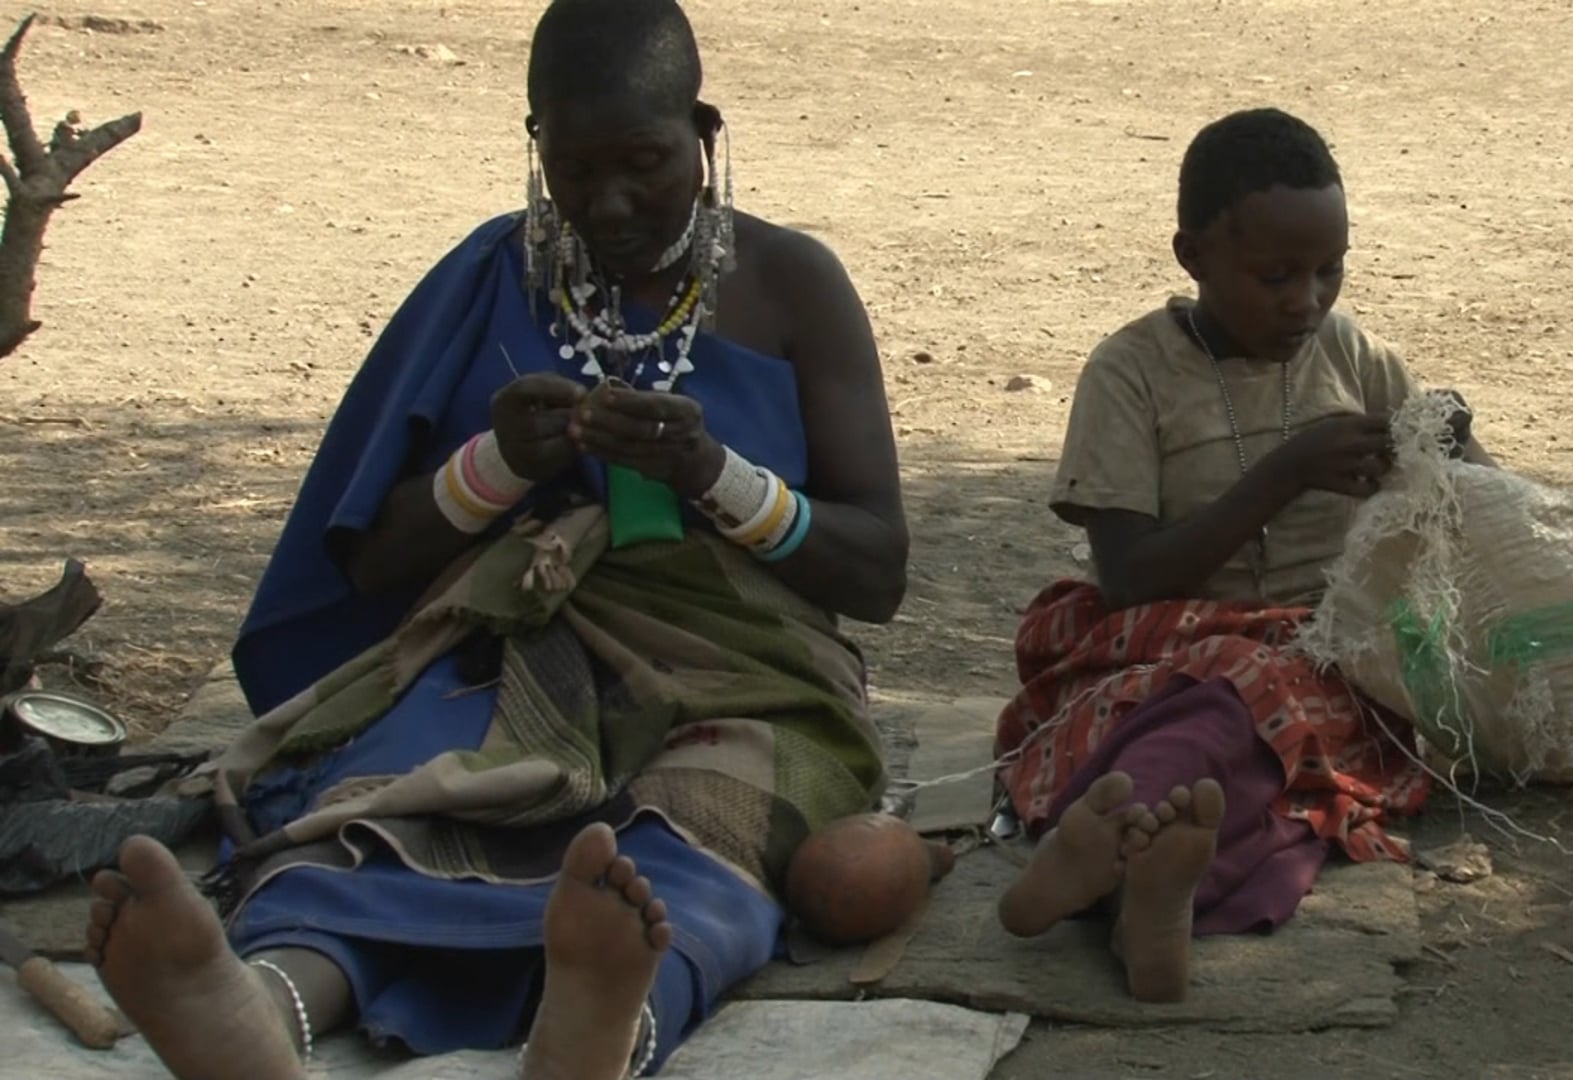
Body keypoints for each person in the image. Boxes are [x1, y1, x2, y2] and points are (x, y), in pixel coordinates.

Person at [79, 2, 908, 1078]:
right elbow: (371, 564)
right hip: (507, 653)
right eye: (574, 168)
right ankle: (262, 1008)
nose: (610, 204)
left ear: (704, 132)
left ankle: (607, 1019)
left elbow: (876, 570)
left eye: (646, 164)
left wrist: (718, 478)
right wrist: (497, 466)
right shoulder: (489, 281)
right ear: (535, 146)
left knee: (711, 820)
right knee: (394, 794)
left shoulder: (794, 285)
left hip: (748, 675)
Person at [993, 108, 1495, 1003]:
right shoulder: (1131, 372)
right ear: (1193, 257)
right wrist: (1288, 470)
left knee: (1281, 781)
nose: (1307, 299)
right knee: (1237, 701)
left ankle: (1124, 866)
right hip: (1161, 641)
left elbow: (1476, 510)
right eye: (1276, 276)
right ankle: (1128, 860)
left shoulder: (1357, 358)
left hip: (1325, 652)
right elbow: (1130, 577)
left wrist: (1460, 444)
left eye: (1329, 272)